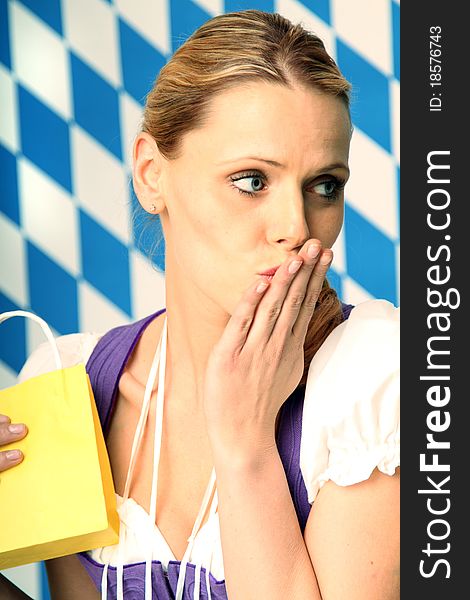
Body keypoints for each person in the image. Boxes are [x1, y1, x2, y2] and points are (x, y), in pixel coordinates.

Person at [0, 9, 399, 600]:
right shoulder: (70, 387)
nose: (296, 227)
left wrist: (246, 449)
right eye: (251, 180)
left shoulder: (371, 384)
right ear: (150, 173)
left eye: (324, 186)